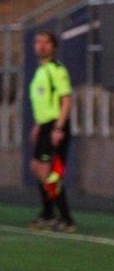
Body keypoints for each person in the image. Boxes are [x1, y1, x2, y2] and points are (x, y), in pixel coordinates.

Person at [28, 30, 76, 232]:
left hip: (56, 125)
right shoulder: (41, 70)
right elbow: (44, 102)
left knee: (50, 172)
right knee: (37, 168)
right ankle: (48, 214)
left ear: (53, 46)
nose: (41, 46)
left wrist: (58, 127)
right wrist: (39, 125)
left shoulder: (56, 69)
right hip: (45, 125)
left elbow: (66, 99)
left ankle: (66, 218)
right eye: (38, 42)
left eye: (45, 42)